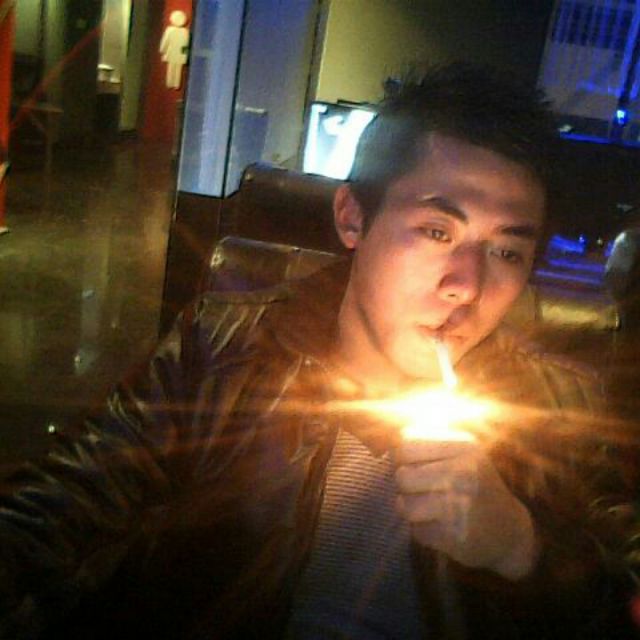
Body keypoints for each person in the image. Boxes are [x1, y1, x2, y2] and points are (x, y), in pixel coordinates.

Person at [0, 63, 636, 639]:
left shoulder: (559, 411)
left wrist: (519, 550)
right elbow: (55, 506)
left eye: (506, 251)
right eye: (436, 230)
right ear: (353, 218)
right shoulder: (226, 348)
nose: (467, 286)